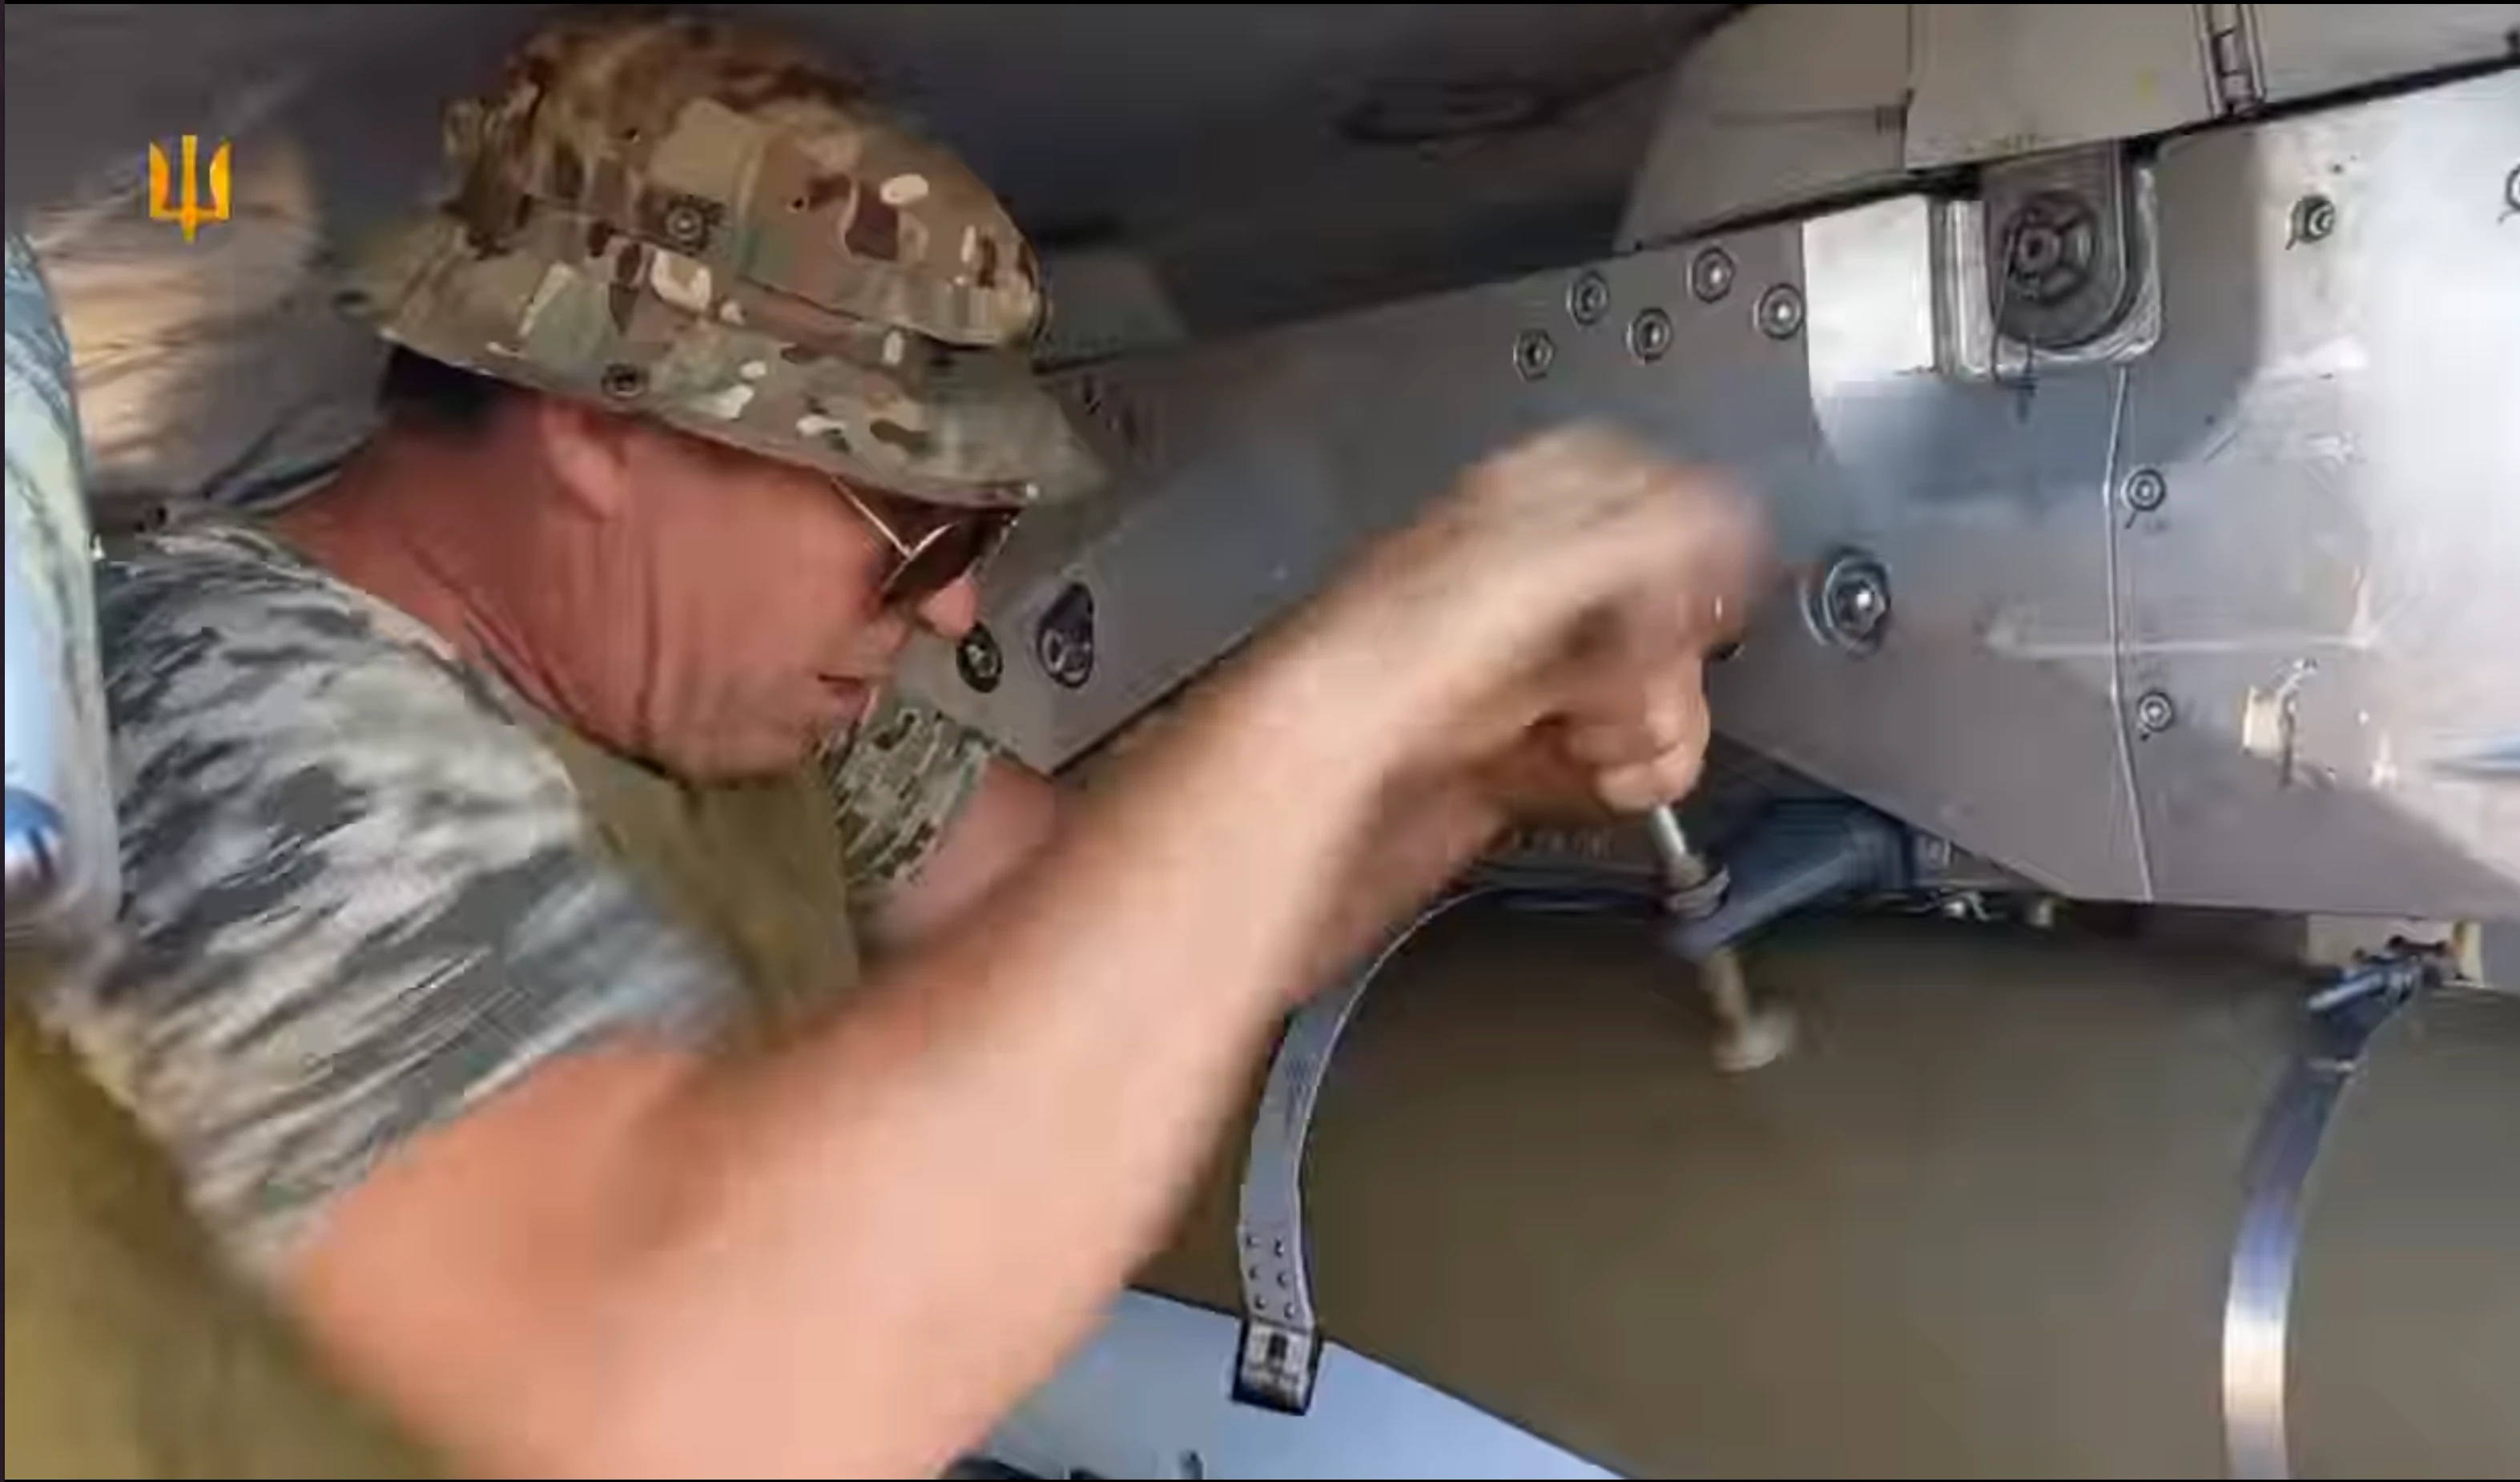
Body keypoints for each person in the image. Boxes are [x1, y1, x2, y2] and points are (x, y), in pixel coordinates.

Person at [27, 13, 1766, 1477]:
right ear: (596, 425)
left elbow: (1125, 929)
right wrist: (1361, 671)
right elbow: (682, 1394)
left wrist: (1477, 766)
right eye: (911, 528)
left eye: (975, 536)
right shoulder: (219, 703)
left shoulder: (754, 725)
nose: (950, 609)